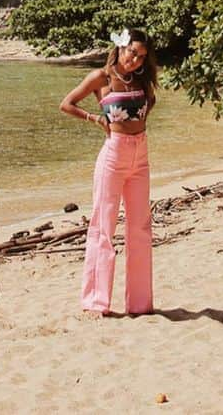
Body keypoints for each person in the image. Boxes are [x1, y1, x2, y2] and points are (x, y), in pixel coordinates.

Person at [59, 26, 157, 317]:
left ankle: (140, 304)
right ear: (120, 48)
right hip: (113, 155)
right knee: (103, 227)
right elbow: (66, 104)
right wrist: (95, 118)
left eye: (141, 57)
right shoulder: (100, 78)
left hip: (141, 154)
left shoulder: (141, 79)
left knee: (140, 228)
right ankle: (96, 302)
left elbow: (149, 102)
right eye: (132, 53)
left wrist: (135, 124)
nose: (136, 61)